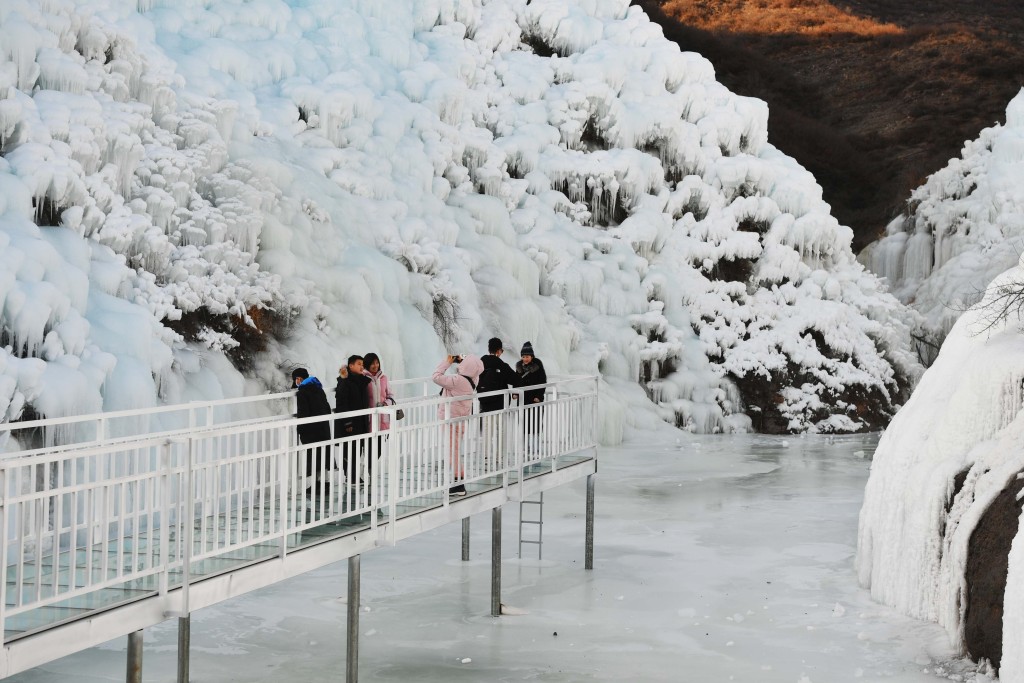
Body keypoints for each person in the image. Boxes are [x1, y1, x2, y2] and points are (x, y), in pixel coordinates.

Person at [432, 353, 484, 496]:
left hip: (451, 419)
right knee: (455, 450)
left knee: (452, 452)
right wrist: (462, 362)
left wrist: (447, 362)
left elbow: (436, 376)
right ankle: (458, 482)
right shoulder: (474, 379)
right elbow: (471, 369)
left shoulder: (457, 380)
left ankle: (458, 485)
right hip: (460, 419)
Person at [291, 367, 333, 495]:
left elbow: (303, 413)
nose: (297, 382)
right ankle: (325, 483)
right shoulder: (318, 388)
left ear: (300, 379)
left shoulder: (302, 393)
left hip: (311, 429)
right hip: (323, 427)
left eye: (297, 379)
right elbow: (327, 408)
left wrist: (300, 429)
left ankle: (317, 484)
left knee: (314, 456)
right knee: (323, 455)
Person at [335, 355, 372, 484]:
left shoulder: (362, 380)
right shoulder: (344, 381)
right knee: (350, 450)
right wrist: (347, 422)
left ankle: (354, 475)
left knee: (358, 449)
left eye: (362, 364)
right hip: (350, 423)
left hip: (361, 421)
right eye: (359, 364)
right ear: (351, 366)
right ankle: (350, 476)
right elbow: (341, 403)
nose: (362, 366)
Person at [516, 342, 547, 451]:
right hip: (523, 399)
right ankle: (524, 449)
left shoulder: (538, 366)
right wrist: (515, 393)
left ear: (532, 357)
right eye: (523, 356)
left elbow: (543, 381)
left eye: (527, 356)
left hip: (535, 399)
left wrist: (538, 396)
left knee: (535, 423)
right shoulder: (519, 367)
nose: (525, 359)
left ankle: (535, 448)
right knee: (524, 424)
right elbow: (516, 382)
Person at [477, 337, 517, 413]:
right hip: (500, 406)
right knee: (500, 425)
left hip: (484, 404)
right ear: (498, 351)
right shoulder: (501, 365)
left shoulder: (481, 363)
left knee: (486, 425)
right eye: (502, 350)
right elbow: (515, 379)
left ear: (489, 350)